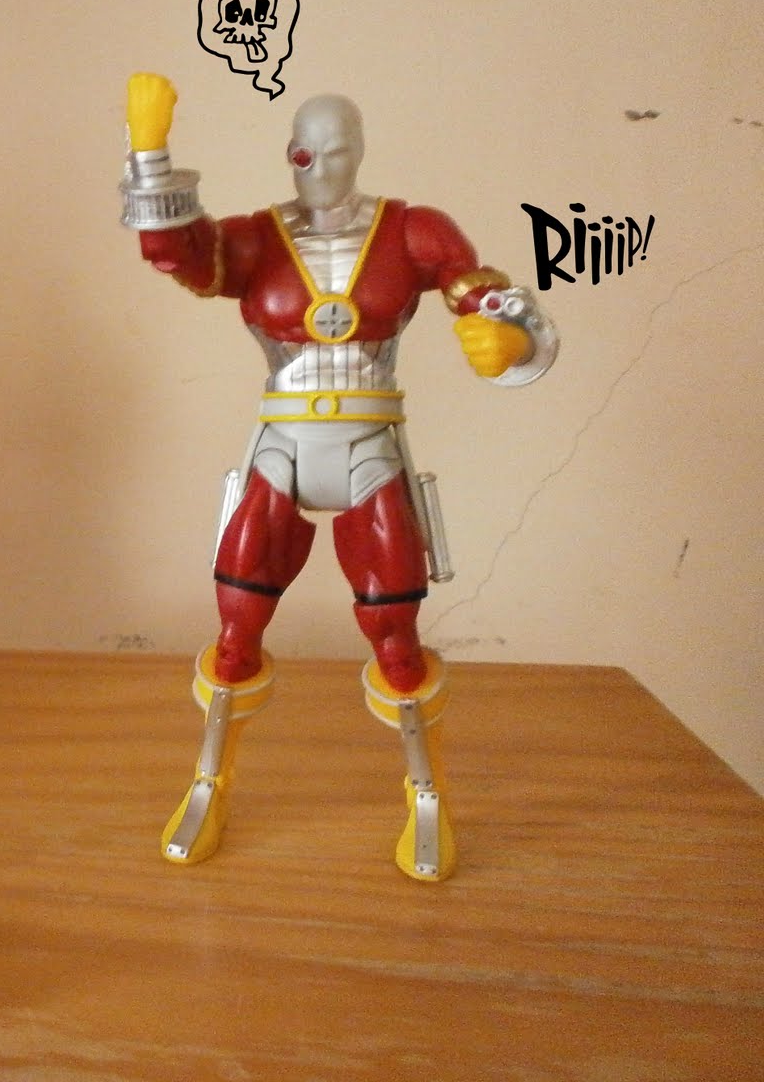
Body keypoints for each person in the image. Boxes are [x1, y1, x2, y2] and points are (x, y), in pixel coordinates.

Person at [120, 76, 557, 881]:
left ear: (359, 153)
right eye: (305, 153)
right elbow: (176, 253)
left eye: (335, 151)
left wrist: (509, 342)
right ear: (289, 152)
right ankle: (209, 782)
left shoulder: (414, 231)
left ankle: (427, 795)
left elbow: (492, 299)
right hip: (282, 443)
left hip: (369, 444)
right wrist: (150, 154)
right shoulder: (255, 239)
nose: (318, 167)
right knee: (235, 633)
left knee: (397, 640)